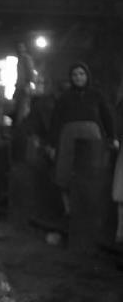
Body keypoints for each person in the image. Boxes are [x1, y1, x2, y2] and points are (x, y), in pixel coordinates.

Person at [47, 62, 118, 217]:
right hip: (69, 138)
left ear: (87, 76)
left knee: (90, 174)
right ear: (71, 78)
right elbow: (56, 120)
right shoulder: (65, 97)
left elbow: (107, 116)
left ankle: (90, 210)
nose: (78, 77)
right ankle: (69, 209)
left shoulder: (96, 95)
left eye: (81, 74)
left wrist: (112, 137)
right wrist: (52, 144)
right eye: (75, 75)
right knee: (66, 172)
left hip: (91, 139)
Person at [13, 42, 36, 125]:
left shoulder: (26, 58)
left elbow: (30, 72)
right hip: (20, 88)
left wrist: (27, 85)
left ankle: (21, 130)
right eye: (18, 47)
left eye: (21, 47)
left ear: (25, 48)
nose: (19, 49)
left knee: (22, 111)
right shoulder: (20, 59)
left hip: (24, 88)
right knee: (19, 109)